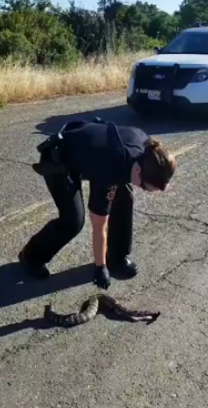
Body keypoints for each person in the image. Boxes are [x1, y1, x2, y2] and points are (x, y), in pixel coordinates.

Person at [19, 118, 177, 289]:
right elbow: (99, 225)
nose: (144, 190)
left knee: (125, 198)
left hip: (93, 154)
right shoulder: (111, 169)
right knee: (73, 221)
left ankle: (117, 257)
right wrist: (100, 267)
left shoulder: (149, 150)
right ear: (138, 171)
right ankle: (31, 255)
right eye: (145, 187)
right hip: (60, 158)